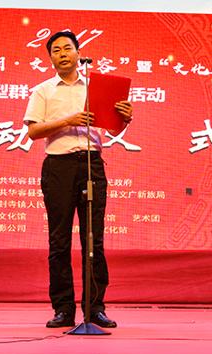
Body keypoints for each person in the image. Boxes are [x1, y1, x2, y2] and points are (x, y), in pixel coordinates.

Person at [23, 31, 133, 328]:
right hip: (58, 167)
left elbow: (113, 129)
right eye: (56, 50)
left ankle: (95, 308)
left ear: (78, 53)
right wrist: (67, 121)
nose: (62, 54)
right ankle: (63, 309)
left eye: (67, 48)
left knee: (93, 239)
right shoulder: (43, 91)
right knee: (59, 240)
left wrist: (125, 118)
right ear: (50, 58)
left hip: (91, 164)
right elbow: (33, 132)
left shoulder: (96, 88)